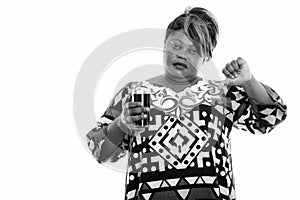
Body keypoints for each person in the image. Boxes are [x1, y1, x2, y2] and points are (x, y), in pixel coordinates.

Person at [86, 7, 287, 200]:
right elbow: (98, 151)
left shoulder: (222, 93)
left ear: (206, 57)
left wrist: (249, 81)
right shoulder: (134, 92)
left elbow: (270, 118)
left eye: (194, 50)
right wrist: (121, 123)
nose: (182, 54)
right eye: (176, 46)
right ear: (164, 45)